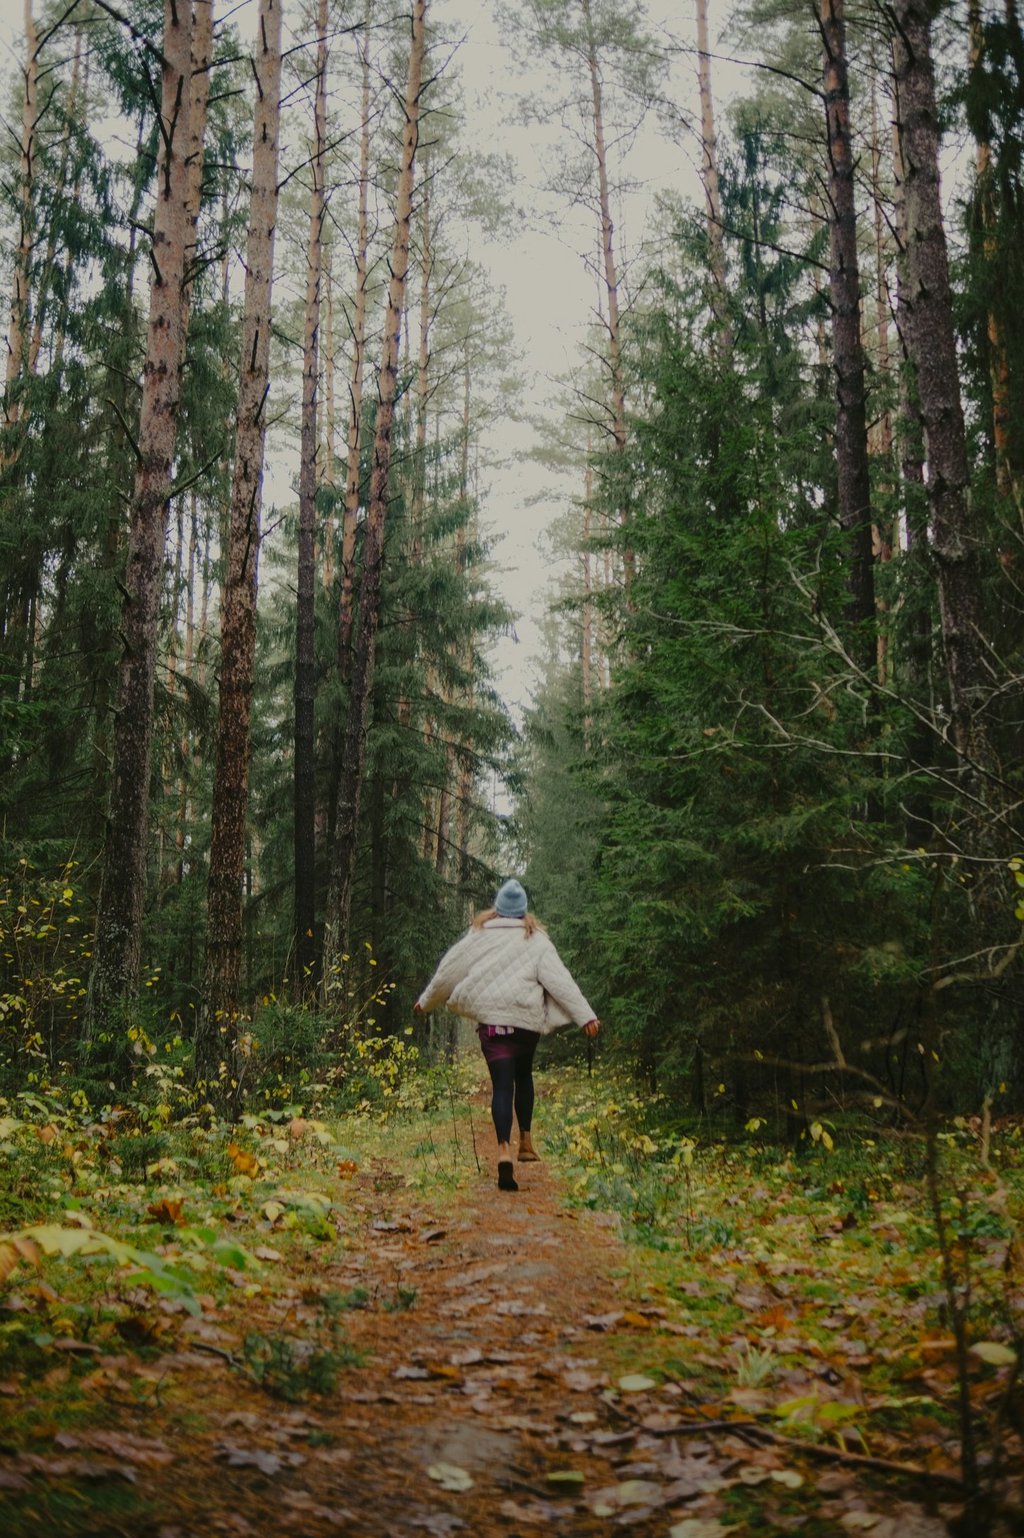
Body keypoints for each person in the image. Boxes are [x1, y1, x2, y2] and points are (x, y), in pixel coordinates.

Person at [414, 879, 599, 1192]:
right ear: (524, 911)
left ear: (497, 908)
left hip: (493, 1025)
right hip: (524, 1022)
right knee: (523, 1076)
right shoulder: (536, 939)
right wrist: (586, 1016)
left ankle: (503, 1150)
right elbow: (561, 981)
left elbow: (449, 971)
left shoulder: (479, 935)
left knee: (502, 1086)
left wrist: (426, 1000)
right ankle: (525, 1141)